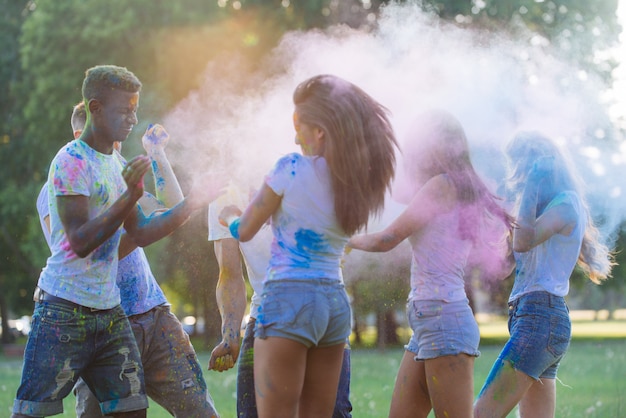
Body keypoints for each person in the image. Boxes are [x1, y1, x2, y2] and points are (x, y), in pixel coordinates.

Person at [13, 65, 222, 418]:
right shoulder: (70, 161)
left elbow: (140, 233)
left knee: (131, 410)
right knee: (32, 411)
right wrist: (128, 197)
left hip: (109, 313)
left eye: (134, 109)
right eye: (124, 110)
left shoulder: (115, 163)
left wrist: (194, 202)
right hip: (64, 309)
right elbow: (80, 243)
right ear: (95, 109)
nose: (132, 119)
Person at [218, 74, 398, 417]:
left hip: (287, 299)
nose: (293, 135)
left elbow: (244, 230)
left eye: (299, 126)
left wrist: (228, 216)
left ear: (320, 132)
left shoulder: (290, 168)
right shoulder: (355, 183)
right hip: (333, 305)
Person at [347, 109, 513, 418]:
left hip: (445, 322)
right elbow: (390, 190)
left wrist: (344, 240)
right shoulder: (449, 187)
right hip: (428, 324)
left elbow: (386, 240)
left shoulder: (441, 186)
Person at [473, 132, 614, 418]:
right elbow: (503, 268)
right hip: (532, 318)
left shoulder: (566, 204)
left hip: (541, 319)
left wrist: (531, 187)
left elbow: (524, 242)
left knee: (482, 413)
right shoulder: (536, 211)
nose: (517, 176)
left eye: (520, 166)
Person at [207, 185, 353, 417]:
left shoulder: (295, 168)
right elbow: (229, 275)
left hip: (320, 311)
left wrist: (231, 216)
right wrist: (230, 334)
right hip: (266, 314)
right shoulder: (223, 191)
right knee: (252, 411)